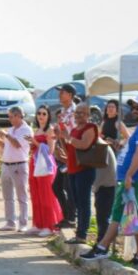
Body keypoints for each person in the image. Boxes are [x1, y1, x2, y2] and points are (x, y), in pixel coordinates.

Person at [83, 94, 138, 267]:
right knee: (134, 217)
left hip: (133, 180)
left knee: (117, 213)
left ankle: (102, 247)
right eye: (134, 107)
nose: (135, 110)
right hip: (130, 178)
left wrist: (129, 175)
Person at [58, 103, 99, 244]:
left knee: (83, 203)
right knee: (76, 202)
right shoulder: (75, 129)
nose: (78, 115)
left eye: (82, 113)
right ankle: (79, 232)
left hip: (84, 170)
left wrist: (68, 137)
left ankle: (82, 234)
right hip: (73, 170)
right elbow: (69, 148)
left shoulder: (90, 128)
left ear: (88, 115)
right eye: (77, 112)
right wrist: (62, 138)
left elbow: (84, 145)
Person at [0, 107, 33, 232]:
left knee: (22, 196)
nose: (9, 119)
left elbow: (17, 144)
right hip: (6, 165)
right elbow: (6, 146)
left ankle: (23, 223)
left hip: (19, 165)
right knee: (8, 196)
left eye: (10, 116)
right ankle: (10, 222)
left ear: (17, 116)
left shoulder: (26, 130)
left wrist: (6, 135)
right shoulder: (11, 129)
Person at [25, 105, 62, 237]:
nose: (41, 116)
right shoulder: (37, 130)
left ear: (48, 116)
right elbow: (37, 147)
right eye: (39, 113)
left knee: (47, 195)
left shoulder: (50, 130)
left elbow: (50, 151)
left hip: (46, 166)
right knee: (36, 194)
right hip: (35, 163)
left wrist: (34, 142)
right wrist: (32, 144)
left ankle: (50, 225)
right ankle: (38, 224)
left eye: (44, 114)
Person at [54, 83, 78, 227]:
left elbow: (73, 135)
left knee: (69, 187)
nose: (60, 94)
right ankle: (67, 216)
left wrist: (69, 154)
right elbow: (63, 136)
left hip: (75, 153)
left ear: (70, 95)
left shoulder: (74, 112)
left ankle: (71, 218)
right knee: (57, 186)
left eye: (62, 92)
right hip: (66, 153)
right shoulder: (63, 111)